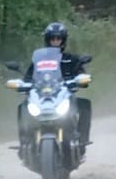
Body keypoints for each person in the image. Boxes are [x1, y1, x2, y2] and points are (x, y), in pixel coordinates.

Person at [20, 21, 92, 152]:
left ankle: (81, 140)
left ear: (63, 40)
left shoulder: (71, 59)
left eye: (58, 38)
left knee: (84, 104)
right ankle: (25, 142)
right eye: (52, 38)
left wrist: (80, 79)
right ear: (47, 40)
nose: (55, 41)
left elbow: (82, 73)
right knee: (23, 107)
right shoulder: (39, 60)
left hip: (64, 95)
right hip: (42, 96)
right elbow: (28, 77)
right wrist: (24, 84)